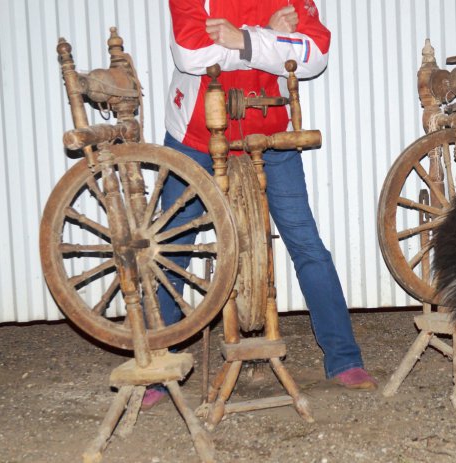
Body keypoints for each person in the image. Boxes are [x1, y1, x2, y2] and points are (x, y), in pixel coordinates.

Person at [142, 0, 376, 410]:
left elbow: (314, 55)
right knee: (172, 250)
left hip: (268, 133)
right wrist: (268, 37)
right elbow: (192, 53)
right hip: (195, 135)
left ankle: (344, 359)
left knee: (306, 244)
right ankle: (158, 370)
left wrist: (242, 36)